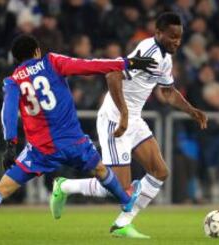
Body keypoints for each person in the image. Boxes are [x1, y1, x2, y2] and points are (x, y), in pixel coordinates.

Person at [0, 34, 157, 239]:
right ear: (37, 51)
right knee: (100, 170)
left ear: (17, 59)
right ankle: (127, 203)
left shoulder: (13, 80)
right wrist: (126, 63)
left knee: (1, 189)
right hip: (73, 143)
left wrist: (11, 144)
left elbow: (8, 112)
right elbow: (89, 66)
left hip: (40, 150)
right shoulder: (52, 62)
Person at [51, 12, 208, 239]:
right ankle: (64, 186)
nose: (177, 41)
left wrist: (192, 111)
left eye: (180, 37)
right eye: (172, 36)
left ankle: (122, 223)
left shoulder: (165, 58)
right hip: (115, 119)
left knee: (160, 172)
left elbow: (167, 92)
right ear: (158, 33)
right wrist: (124, 114)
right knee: (118, 187)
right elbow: (113, 75)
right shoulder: (148, 51)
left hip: (133, 119)